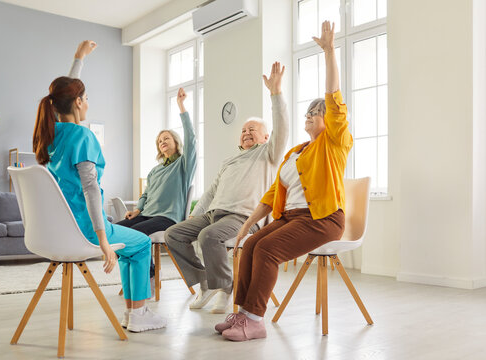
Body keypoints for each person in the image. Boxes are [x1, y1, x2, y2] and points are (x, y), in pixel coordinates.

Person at [214, 21, 353, 341]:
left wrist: (330, 52)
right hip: (291, 217)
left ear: (328, 120)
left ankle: (255, 320)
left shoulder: (334, 143)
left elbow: (334, 98)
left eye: (315, 113)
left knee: (269, 250)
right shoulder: (295, 153)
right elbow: (273, 193)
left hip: (323, 219)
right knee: (250, 246)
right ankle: (241, 314)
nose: (309, 116)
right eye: (307, 113)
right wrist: (247, 225)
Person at [32, 40, 166, 333]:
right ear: (79, 102)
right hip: (84, 227)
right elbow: (91, 191)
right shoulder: (83, 136)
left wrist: (78, 58)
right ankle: (139, 313)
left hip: (59, 228)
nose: (88, 102)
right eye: (86, 97)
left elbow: (63, 95)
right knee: (141, 243)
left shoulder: (52, 136)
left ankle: (135, 313)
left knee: (130, 247)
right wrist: (103, 239)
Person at [164, 61, 289, 314]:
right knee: (173, 234)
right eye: (243, 130)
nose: (246, 133)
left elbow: (283, 128)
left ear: (265, 137)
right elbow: (211, 192)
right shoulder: (229, 160)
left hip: (244, 217)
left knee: (208, 237)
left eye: (252, 129)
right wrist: (196, 213)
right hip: (214, 215)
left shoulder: (268, 154)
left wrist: (275, 94)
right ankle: (204, 283)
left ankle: (224, 287)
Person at [115, 89, 197, 287]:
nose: (162, 142)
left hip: (168, 217)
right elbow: (145, 194)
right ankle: (135, 273)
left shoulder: (184, 165)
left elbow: (192, 140)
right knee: (115, 231)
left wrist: (182, 107)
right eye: (160, 141)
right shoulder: (155, 170)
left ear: (176, 142)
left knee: (137, 235)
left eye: (166, 138)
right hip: (148, 214)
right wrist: (137, 210)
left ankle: (149, 275)